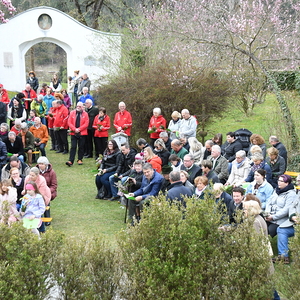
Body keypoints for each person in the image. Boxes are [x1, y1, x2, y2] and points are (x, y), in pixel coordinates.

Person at [265, 174, 296, 239]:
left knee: (269, 231)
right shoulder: (276, 190)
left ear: (287, 183)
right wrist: (267, 213)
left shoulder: (291, 194)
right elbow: (269, 202)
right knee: (258, 226)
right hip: (270, 216)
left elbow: (286, 210)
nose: (278, 182)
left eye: (281, 181)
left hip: (280, 220)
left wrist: (273, 217)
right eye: (278, 180)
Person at [274, 189, 300, 264]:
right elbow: (292, 206)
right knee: (282, 230)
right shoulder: (298, 193)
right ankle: (283, 256)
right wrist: (292, 216)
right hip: (296, 223)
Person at [66, 102, 89, 166]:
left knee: (81, 146)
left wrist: (79, 129)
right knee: (73, 146)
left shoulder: (85, 114)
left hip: (82, 133)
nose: (78, 107)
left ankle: (80, 159)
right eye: (77, 106)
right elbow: (69, 122)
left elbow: (86, 124)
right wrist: (74, 129)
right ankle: (71, 160)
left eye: (80, 106)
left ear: (82, 107)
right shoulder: (72, 113)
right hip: (73, 133)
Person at [37, 156, 57, 226]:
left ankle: (47, 217)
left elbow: (54, 185)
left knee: (45, 198)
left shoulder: (52, 172)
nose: (40, 165)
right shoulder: (36, 171)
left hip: (48, 191)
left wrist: (47, 192)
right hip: (37, 191)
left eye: (42, 164)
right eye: (39, 164)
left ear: (46, 164)